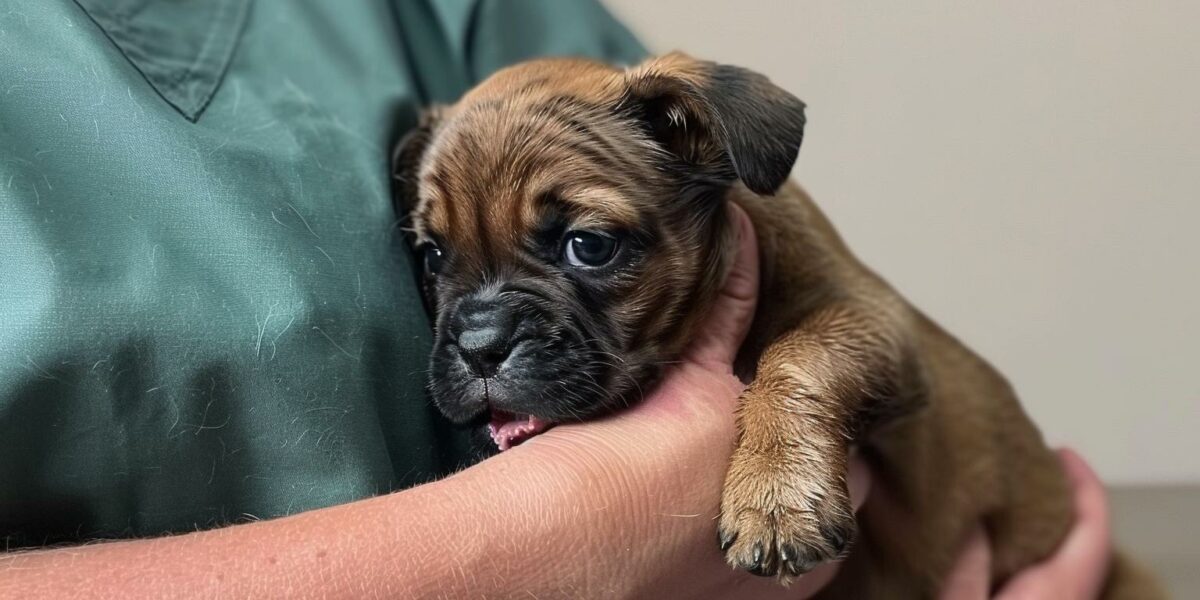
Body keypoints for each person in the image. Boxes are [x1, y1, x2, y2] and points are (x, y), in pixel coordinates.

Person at [0, 1, 1112, 597]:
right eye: (439, 262)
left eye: (582, 246)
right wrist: (567, 533)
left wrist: (789, 412)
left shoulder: (669, 139)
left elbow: (882, 340)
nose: (478, 332)